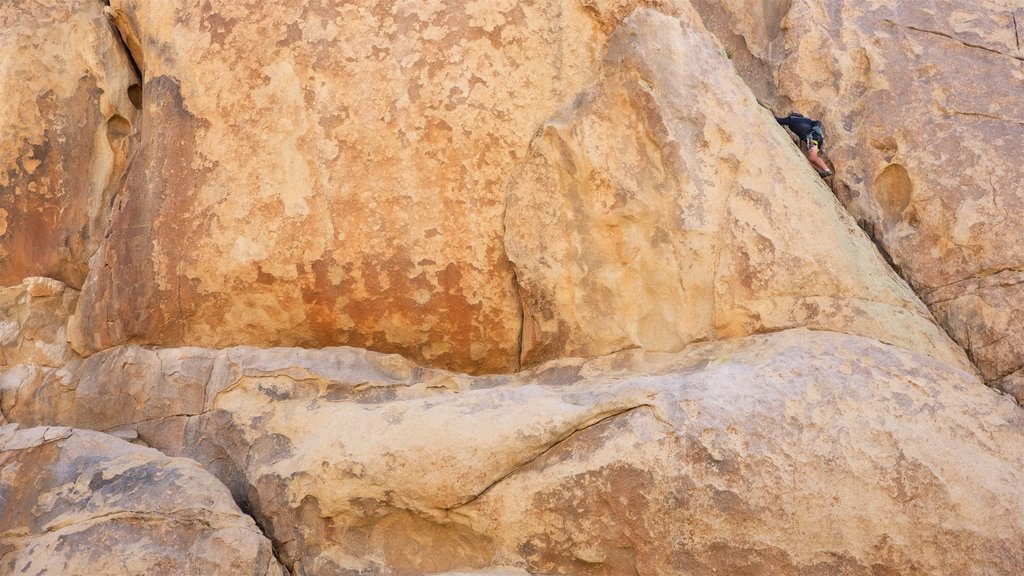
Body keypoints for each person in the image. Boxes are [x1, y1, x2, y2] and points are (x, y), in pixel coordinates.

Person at [776, 112, 832, 177]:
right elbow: (818, 121)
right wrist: (817, 126)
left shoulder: (791, 119)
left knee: (813, 156)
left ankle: (826, 170)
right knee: (812, 157)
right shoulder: (807, 120)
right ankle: (825, 170)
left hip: (811, 137)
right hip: (818, 137)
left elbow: (779, 121)